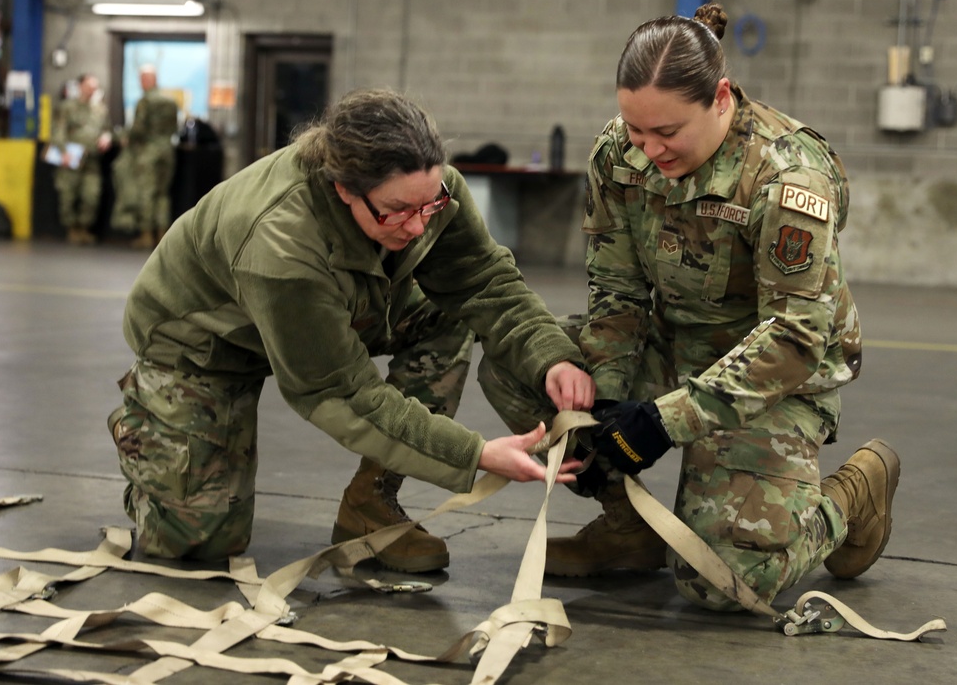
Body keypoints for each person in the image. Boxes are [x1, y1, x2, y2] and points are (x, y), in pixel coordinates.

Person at [480, 3, 899, 611]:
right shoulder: (617, 155)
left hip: (775, 377)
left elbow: (794, 338)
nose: (648, 150)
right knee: (524, 363)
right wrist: (602, 408)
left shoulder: (787, 178)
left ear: (721, 98)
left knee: (725, 584)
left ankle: (855, 491)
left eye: (667, 133)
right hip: (672, 347)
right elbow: (617, 295)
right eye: (635, 130)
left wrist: (658, 422)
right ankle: (629, 529)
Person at [108, 88, 594, 569]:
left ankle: (371, 503)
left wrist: (551, 354)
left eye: (428, 205)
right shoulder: (281, 242)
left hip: (331, 309)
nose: (417, 227)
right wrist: (475, 454)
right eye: (397, 211)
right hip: (204, 347)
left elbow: (484, 279)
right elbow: (342, 393)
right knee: (197, 543)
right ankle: (152, 438)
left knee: (447, 312)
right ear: (344, 188)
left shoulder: (429, 191)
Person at [111, 64, 179, 250]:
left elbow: (138, 129)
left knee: (147, 193)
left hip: (148, 152)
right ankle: (163, 235)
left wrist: (125, 138)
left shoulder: (145, 101)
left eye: (142, 79)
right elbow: (175, 128)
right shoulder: (170, 101)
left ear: (148, 80)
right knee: (163, 194)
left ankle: (146, 235)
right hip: (167, 152)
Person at [50, 73, 112, 245]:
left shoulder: (100, 110)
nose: (92, 90)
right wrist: (62, 151)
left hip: (91, 160)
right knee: (68, 195)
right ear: (80, 86)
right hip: (71, 159)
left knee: (91, 195)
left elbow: (107, 129)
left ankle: (84, 229)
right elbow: (58, 130)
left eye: (94, 87)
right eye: (88, 86)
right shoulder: (67, 107)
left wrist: (106, 137)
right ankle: (72, 229)